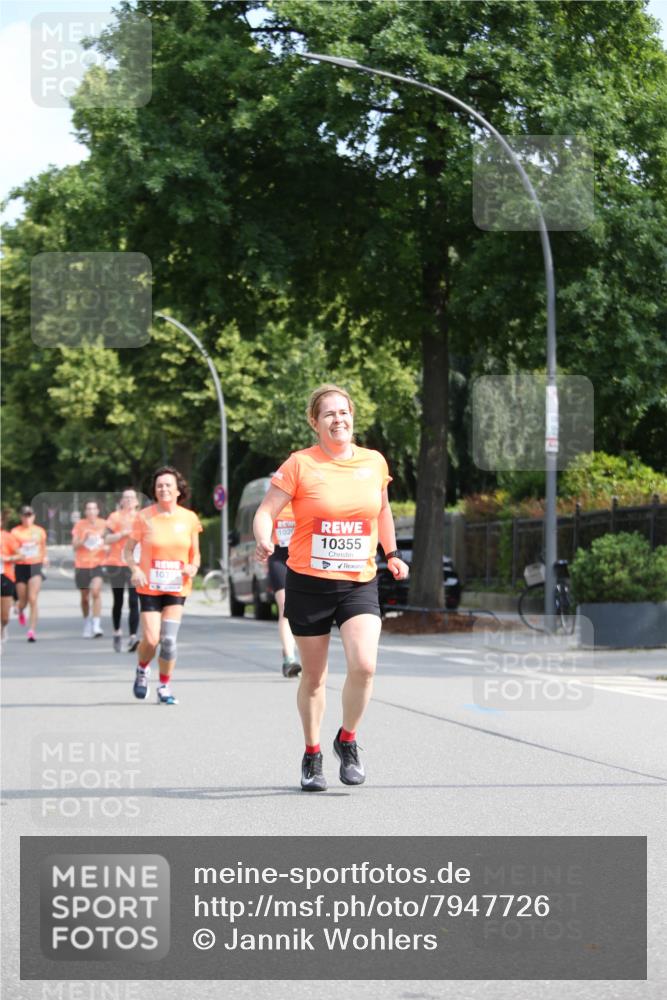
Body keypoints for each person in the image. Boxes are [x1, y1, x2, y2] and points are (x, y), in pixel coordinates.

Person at [253, 384, 409, 792]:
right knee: (314, 677)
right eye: (329, 414)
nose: (338, 419)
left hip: (359, 581)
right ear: (315, 422)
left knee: (365, 665)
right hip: (309, 583)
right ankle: (312, 753)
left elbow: (383, 511)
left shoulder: (373, 462)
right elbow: (266, 512)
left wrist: (391, 553)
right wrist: (264, 538)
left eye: (344, 412)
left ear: (352, 416)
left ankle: (348, 740)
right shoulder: (300, 464)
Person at [124, 466, 202, 706]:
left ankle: (164, 686)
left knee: (168, 640)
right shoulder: (144, 517)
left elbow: (195, 554)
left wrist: (193, 567)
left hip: (177, 586)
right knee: (151, 639)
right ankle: (142, 668)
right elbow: (128, 551)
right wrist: (135, 569)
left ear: (178, 490)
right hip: (149, 586)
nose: (164, 489)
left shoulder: (189, 518)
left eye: (168, 485)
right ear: (154, 490)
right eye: (159, 485)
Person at [104, 488, 141, 653]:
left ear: (137, 501)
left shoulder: (142, 517)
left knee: (134, 600)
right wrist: (122, 534)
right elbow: (106, 538)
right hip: (116, 563)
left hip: (134, 563)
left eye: (132, 497)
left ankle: (133, 636)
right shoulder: (114, 517)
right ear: (121, 501)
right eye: (126, 497)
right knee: (118, 600)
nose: (129, 500)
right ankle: (117, 631)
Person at [268, 498, 301, 678]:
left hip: (303, 556)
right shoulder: (276, 499)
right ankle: (290, 658)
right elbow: (263, 520)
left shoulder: (309, 497)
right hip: (279, 556)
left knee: (300, 609)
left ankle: (289, 647)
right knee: (285, 606)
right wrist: (263, 541)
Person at [11, 505, 48, 642]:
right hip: (21, 567)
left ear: (34, 516)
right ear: (21, 517)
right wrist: (20, 551)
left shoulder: (39, 531)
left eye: (30, 515)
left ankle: (31, 631)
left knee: (33, 598)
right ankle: (20, 609)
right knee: (23, 601)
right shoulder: (15, 532)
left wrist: (45, 557)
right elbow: (12, 548)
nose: (27, 518)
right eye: (25, 516)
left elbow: (43, 547)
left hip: (35, 565)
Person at [72, 500, 108, 638]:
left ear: (98, 511)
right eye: (88, 509)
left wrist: (106, 546)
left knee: (96, 592)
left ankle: (96, 625)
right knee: (85, 598)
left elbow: (109, 541)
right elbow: (74, 546)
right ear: (85, 511)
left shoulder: (104, 524)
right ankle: (87, 621)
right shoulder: (80, 525)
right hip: (82, 565)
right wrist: (84, 539)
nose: (91, 511)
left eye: (94, 508)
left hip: (98, 563)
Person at [1, 511, 20, 641]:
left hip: (5, 576)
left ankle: (3, 626)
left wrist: (8, 558)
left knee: (4, 617)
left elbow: (20, 555)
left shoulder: (7, 537)